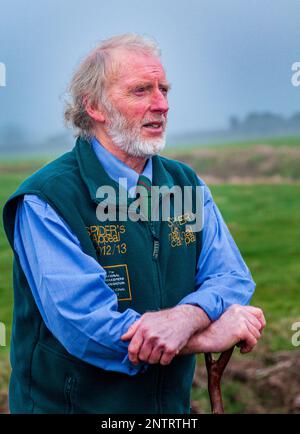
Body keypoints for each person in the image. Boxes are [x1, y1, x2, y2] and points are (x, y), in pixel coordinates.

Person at [3, 34, 265, 414]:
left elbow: (232, 277)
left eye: (164, 89)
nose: (161, 104)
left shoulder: (185, 184)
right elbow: (87, 329)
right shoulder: (47, 199)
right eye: (141, 91)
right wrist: (205, 334)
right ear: (95, 106)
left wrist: (186, 316)